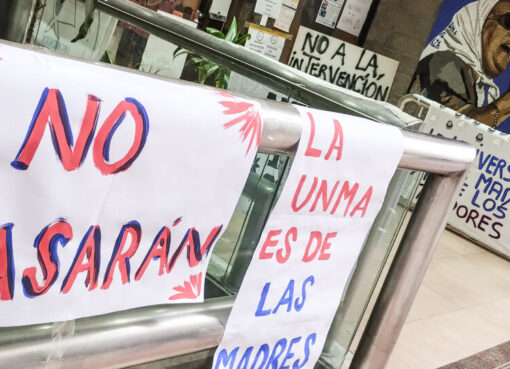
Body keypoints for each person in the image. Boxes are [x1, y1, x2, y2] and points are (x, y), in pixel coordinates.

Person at [410, 0, 510, 128]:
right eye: (508, 21)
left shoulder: (471, 79)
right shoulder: (444, 63)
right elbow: (459, 130)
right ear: (478, 22)